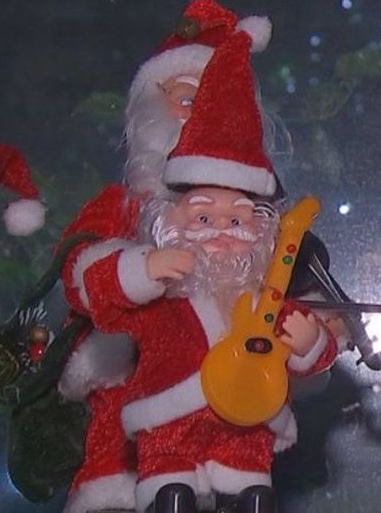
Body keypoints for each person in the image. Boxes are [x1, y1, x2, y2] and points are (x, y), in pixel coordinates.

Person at [79, 27, 335, 513]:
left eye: (237, 220)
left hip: (247, 422)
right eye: (202, 218)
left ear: (261, 229)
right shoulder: (164, 293)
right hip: (170, 421)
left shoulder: (262, 295)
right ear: (170, 222)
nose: (221, 230)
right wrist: (142, 269)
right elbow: (99, 296)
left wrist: (311, 343)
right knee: (171, 492)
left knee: (252, 495)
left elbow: (310, 349)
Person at [58, 0, 271, 513]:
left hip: (233, 398)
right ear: (150, 107)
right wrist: (139, 269)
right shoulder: (120, 206)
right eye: (186, 98)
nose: (197, 117)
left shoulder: (252, 227)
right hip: (129, 394)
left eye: (212, 103)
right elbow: (80, 277)